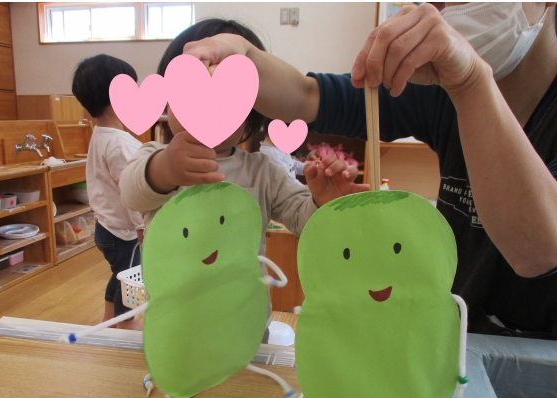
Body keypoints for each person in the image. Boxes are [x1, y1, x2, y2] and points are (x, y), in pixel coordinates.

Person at [181, 3, 557, 340]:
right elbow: (307, 96)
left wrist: (471, 82)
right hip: (455, 334)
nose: (438, 10)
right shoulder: (441, 94)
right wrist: (244, 53)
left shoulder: (463, 85)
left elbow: (536, 250)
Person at [119, 18, 367, 342]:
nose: (206, 108)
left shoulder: (261, 170)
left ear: (252, 113)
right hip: (173, 328)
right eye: (188, 93)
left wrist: (323, 202)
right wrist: (164, 169)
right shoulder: (155, 156)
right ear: (169, 100)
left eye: (227, 98)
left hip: (245, 326)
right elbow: (131, 193)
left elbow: (301, 218)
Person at [72, 54, 145, 329]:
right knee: (130, 278)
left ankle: (109, 318)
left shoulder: (102, 134)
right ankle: (125, 324)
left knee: (120, 274)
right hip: (124, 233)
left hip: (108, 228)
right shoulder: (118, 144)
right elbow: (132, 192)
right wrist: (143, 227)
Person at [259, 119, 305, 186]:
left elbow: (289, 164)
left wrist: (305, 167)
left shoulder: (277, 148)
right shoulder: (273, 155)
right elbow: (290, 183)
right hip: (286, 191)